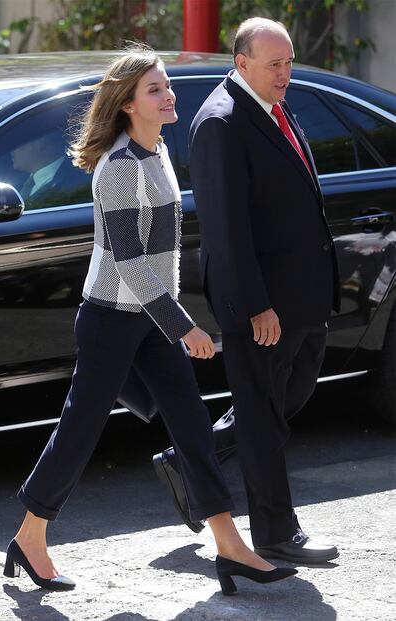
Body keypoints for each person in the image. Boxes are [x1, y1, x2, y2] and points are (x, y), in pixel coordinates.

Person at [3, 43, 296, 596]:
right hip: (112, 318)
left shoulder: (158, 149)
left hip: (149, 320)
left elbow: (158, 257)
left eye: (166, 84)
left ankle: (230, 547)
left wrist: (169, 320)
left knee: (192, 428)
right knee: (79, 432)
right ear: (128, 104)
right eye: (155, 89)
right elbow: (128, 260)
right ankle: (31, 536)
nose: (168, 95)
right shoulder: (117, 168)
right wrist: (183, 324)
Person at [153, 18, 341, 564]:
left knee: (291, 394)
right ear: (242, 63)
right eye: (275, 65)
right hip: (262, 302)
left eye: (288, 63)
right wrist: (256, 304)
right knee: (260, 416)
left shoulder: (270, 105)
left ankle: (190, 463)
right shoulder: (222, 123)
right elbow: (227, 231)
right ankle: (277, 533)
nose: (286, 74)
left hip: (300, 296)